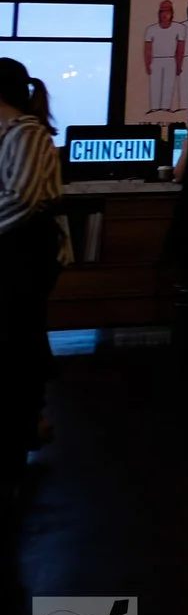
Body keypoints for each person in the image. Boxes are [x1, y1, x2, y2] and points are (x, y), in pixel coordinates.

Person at [0, 59, 63, 459]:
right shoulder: (15, 131)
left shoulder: (26, 133)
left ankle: (22, 429)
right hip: (16, 248)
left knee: (18, 338)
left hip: (23, 250)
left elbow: (21, 198)